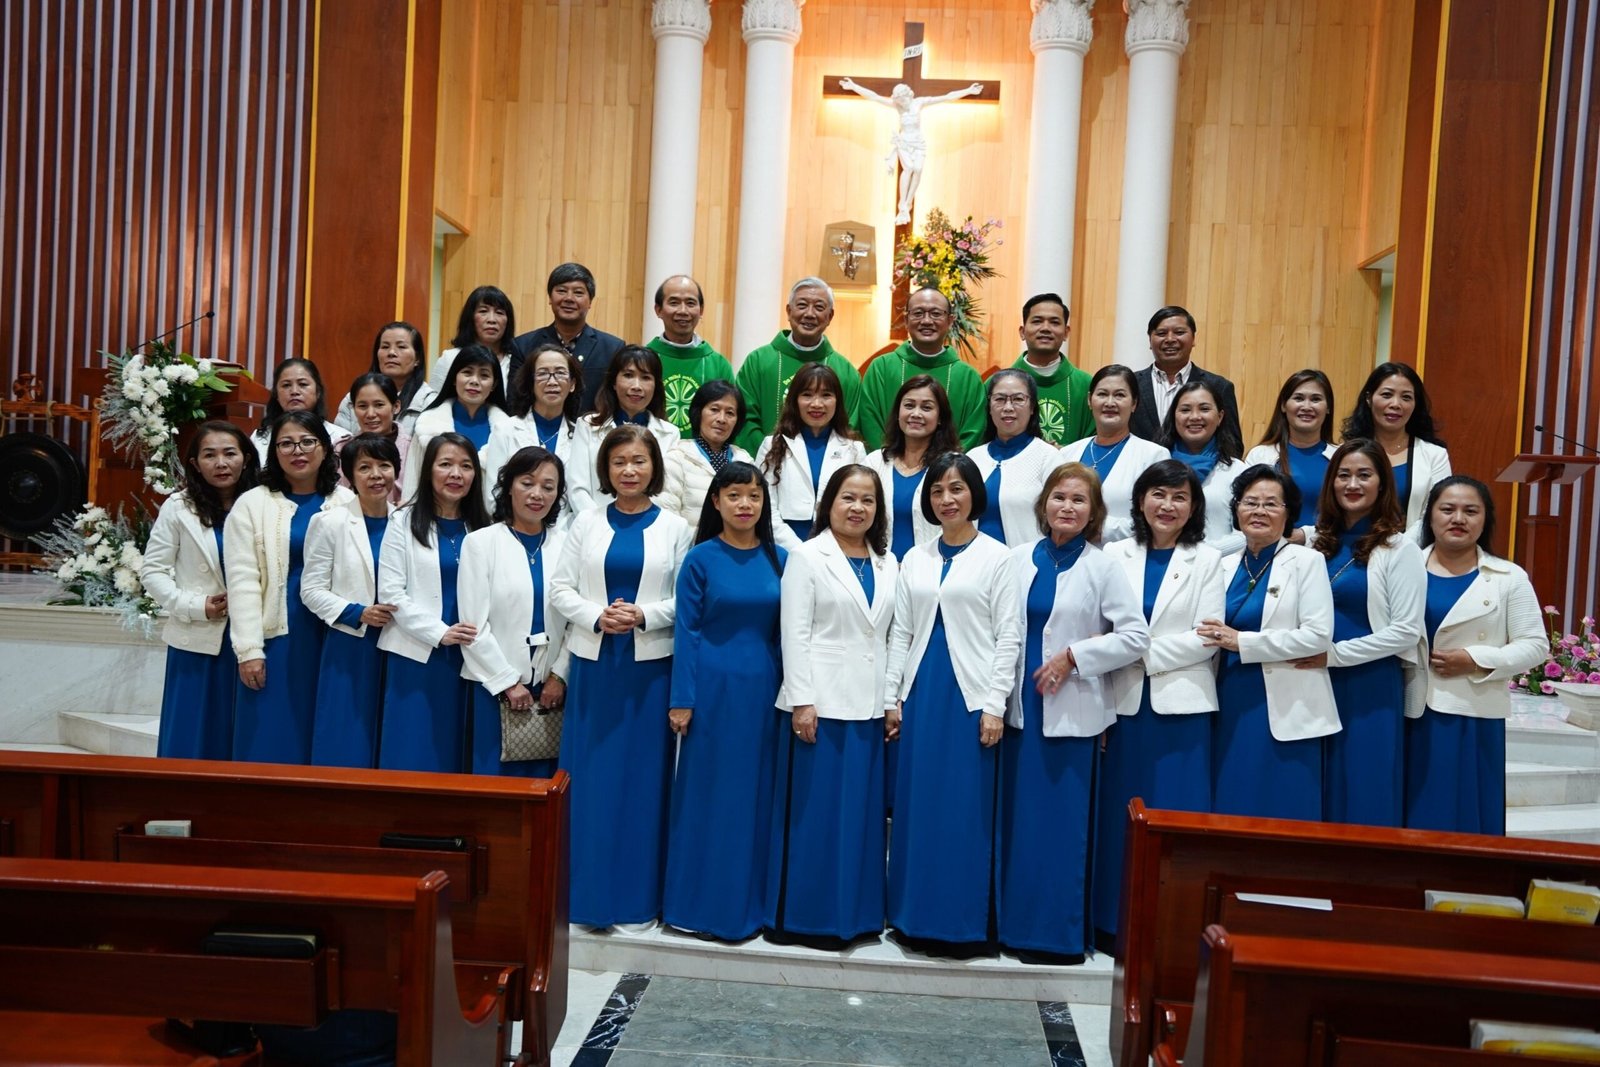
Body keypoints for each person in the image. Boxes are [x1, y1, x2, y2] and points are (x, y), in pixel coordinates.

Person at [1000, 462, 1150, 962]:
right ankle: (1011, 927)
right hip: (1018, 711)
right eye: (1059, 497)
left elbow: (1135, 637)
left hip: (1071, 711)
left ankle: (1054, 937)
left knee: (1060, 827)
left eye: (1079, 500)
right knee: (1018, 825)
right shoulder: (1016, 559)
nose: (1067, 507)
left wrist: (1074, 656)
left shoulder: (1102, 566)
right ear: (1043, 504)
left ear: (1094, 512)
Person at [550, 424, 693, 929]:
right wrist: (597, 615)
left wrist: (643, 615)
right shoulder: (586, 522)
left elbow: (686, 600)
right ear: (605, 470)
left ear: (654, 467)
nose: (629, 470)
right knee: (591, 784)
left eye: (638, 461)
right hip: (595, 668)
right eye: (618, 462)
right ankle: (585, 900)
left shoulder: (676, 528)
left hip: (649, 671)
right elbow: (560, 589)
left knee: (641, 784)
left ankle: (636, 903)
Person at [884, 453, 1021, 952]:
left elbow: (1009, 637)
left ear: (974, 495)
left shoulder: (998, 557)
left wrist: (995, 704)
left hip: (970, 697)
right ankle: (910, 916)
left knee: (964, 808)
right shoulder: (916, 558)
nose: (947, 499)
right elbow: (901, 632)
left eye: (957, 488)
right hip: (922, 693)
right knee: (917, 806)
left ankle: (961, 923)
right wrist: (892, 697)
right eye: (938, 490)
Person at [768, 465, 899, 946]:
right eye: (848, 497)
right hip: (820, 706)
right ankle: (809, 917)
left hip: (868, 708)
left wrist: (890, 700)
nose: (857, 508)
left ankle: (856, 916)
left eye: (868, 500)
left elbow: (892, 635)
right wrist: (802, 701)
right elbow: (794, 633)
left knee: (860, 818)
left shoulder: (887, 561)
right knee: (816, 816)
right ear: (829, 503)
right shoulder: (807, 556)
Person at [1099, 461, 1223, 942]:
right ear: (1140, 500)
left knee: (1176, 818)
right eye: (1158, 494)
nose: (1167, 506)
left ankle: (1172, 931)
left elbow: (1208, 636)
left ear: (1193, 507)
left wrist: (1136, 652)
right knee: (1120, 818)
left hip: (1181, 709)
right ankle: (1111, 923)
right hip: (1122, 705)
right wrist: (1120, 650)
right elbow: (1101, 625)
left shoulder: (1208, 559)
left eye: (1179, 497)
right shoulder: (1115, 554)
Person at [664, 462, 786, 941]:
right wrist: (682, 699)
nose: (744, 504)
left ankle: (749, 905)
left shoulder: (780, 559)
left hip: (764, 689)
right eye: (734, 495)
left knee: (754, 795)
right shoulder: (700, 559)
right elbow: (686, 632)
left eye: (753, 495)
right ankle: (697, 907)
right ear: (715, 502)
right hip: (712, 689)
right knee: (708, 793)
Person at [1405, 476, 1545, 834]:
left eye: (1471, 511)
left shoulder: (1508, 577)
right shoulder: (1403, 569)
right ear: (1430, 516)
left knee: (1465, 814)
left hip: (1472, 711)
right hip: (1408, 708)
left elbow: (1535, 645)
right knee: (1411, 809)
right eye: (1447, 509)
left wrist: (1476, 658)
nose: (1458, 519)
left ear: (1485, 519)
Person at [1201, 465, 1337, 820]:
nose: (1259, 511)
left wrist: (1243, 642)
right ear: (1236, 510)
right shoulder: (1222, 565)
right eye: (1250, 502)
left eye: (1271, 504)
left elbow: (1317, 636)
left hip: (1285, 700)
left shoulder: (1307, 561)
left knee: (1283, 806)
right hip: (1227, 695)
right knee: (1231, 800)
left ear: (1289, 513)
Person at [1303, 439, 1425, 827]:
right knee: (1314, 785)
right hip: (1311, 678)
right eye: (1343, 475)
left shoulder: (1398, 549)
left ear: (1382, 484)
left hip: (1367, 684)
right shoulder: (1316, 542)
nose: (1352, 484)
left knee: (1363, 786)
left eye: (1364, 475)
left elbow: (1406, 631)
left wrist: (1335, 655)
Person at [225, 412, 357, 763]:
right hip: (279, 635)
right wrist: (249, 649)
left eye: (307, 442)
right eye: (286, 443)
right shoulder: (252, 504)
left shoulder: (347, 502)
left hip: (334, 635)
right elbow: (242, 581)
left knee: (329, 730)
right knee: (273, 733)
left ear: (325, 448)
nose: (297, 451)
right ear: (274, 451)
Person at [141, 421, 260, 760]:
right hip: (198, 638)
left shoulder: (264, 503)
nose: (221, 463)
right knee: (192, 733)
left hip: (253, 635)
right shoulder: (178, 507)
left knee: (245, 734)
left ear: (246, 458)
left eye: (230, 453)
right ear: (194, 463)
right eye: (209, 455)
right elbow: (152, 571)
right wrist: (196, 605)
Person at [376, 433, 490, 772]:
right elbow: (391, 593)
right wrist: (439, 632)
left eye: (466, 466)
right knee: (415, 750)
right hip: (419, 653)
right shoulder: (403, 521)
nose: (456, 474)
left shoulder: (485, 526)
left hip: (473, 652)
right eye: (446, 464)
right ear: (428, 471)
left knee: (463, 751)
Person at [458, 446, 571, 778]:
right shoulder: (480, 543)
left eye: (548, 487)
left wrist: (559, 676)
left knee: (549, 788)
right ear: (509, 487)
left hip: (553, 692)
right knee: (494, 785)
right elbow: (473, 626)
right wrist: (508, 683)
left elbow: (575, 622)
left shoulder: (567, 544)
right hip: (494, 686)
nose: (537, 494)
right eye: (527, 483)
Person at [300, 433, 400, 768]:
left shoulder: (407, 521)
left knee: (392, 731)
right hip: (351, 643)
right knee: (346, 731)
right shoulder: (330, 522)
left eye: (384, 465)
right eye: (365, 467)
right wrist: (358, 612)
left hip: (399, 641)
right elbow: (311, 590)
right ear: (350, 475)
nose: (376, 475)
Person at [735, 277, 863, 454]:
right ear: (789, 311)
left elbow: (848, 427)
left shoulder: (846, 372)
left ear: (830, 316)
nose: (809, 314)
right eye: (802, 305)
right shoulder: (758, 362)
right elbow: (746, 420)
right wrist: (771, 457)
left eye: (819, 307)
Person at [835, 77, 985, 224]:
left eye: (903, 100)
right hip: (904, 143)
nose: (902, 103)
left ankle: (908, 201)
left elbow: (946, 97)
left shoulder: (919, 103)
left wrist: (968, 90)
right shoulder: (896, 105)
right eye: (899, 101)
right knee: (909, 168)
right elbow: (874, 97)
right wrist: (854, 87)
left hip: (918, 143)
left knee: (918, 169)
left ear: (908, 95)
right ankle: (902, 204)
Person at [859, 288, 986, 451]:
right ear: (906, 320)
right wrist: (892, 462)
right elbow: (870, 423)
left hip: (949, 467)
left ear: (950, 321)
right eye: (918, 313)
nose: (926, 321)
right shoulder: (881, 368)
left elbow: (973, 434)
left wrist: (946, 465)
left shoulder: (968, 377)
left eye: (936, 314)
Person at [404, 345, 532, 508]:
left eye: (484, 375)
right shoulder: (428, 423)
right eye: (467, 372)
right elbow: (412, 485)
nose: (474, 381)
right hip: (433, 516)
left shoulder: (510, 430)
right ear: (453, 378)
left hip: (490, 518)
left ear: (494, 384)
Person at [754, 364, 866, 547]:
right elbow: (764, 504)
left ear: (837, 401)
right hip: (782, 547)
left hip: (836, 548)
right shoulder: (771, 445)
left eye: (826, 395)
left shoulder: (854, 450)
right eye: (807, 394)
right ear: (794, 400)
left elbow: (859, 506)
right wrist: (797, 550)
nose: (817, 404)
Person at [1059, 365, 1171, 543]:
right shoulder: (1067, 454)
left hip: (1123, 555)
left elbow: (1158, 518)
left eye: (1119, 395)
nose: (1110, 403)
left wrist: (1096, 529)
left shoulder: (1154, 456)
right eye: (1102, 394)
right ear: (1090, 400)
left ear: (1134, 403)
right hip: (1067, 552)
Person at [566, 345, 682, 514]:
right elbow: (577, 488)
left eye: (646, 377)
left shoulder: (670, 433)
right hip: (594, 523)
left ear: (656, 386)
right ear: (613, 382)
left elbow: (666, 492)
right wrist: (598, 524)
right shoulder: (587, 426)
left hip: (649, 523)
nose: (636, 386)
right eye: (628, 375)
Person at [1341, 362, 1452, 535]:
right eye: (1386, 395)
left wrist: (1401, 547)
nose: (1396, 404)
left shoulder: (1435, 456)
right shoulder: (1345, 453)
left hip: (1412, 548)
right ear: (1369, 398)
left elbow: (1437, 514)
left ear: (1415, 404)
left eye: (1406, 397)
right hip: (1352, 545)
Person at [509, 262, 626, 411]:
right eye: (561, 291)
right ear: (550, 298)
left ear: (590, 301)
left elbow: (616, 402)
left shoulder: (613, 348)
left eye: (578, 293)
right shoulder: (523, 346)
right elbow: (515, 401)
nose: (569, 298)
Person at [862, 375, 954, 560]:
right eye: (909, 405)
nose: (916, 414)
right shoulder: (874, 462)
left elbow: (961, 527)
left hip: (932, 568)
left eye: (926, 407)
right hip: (879, 567)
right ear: (898, 413)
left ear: (940, 418)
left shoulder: (952, 467)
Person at [970, 369, 1062, 546]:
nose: (1008, 407)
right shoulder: (973, 458)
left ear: (1032, 407)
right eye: (999, 399)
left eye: (1018, 399)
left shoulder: (1049, 458)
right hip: (976, 559)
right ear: (989, 407)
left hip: (1027, 559)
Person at [1130, 306, 1242, 444]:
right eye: (1161, 333)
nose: (1170, 339)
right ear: (1149, 340)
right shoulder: (1131, 384)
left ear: (1193, 339)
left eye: (1179, 332)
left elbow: (1232, 443)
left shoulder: (1219, 386)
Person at [1161, 379, 1247, 554]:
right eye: (1185, 410)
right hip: (1161, 562)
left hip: (1219, 564)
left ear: (1220, 416)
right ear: (1174, 416)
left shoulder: (1237, 471)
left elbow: (1247, 532)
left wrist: (1202, 555)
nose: (1194, 417)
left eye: (1204, 409)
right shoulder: (1156, 463)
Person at [1244, 369, 1338, 529]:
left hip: (1327, 542)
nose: (1307, 406)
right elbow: (1247, 510)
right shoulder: (1260, 455)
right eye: (1298, 398)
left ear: (1328, 407)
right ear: (1283, 405)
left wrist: (1306, 536)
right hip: (1272, 543)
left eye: (1316, 399)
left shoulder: (1340, 457)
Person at [645, 275, 733, 435]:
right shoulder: (644, 361)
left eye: (690, 303)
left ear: (701, 310)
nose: (683, 311)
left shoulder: (719, 365)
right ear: (658, 310)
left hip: (703, 452)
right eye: (674, 303)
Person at [659, 380, 756, 525]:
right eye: (714, 410)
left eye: (730, 413)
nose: (722, 419)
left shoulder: (745, 461)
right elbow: (667, 520)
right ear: (699, 413)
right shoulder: (676, 458)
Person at [1010, 293, 1093, 445]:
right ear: (1022, 332)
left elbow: (1096, 442)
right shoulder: (999, 383)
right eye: (1037, 321)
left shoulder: (1087, 385)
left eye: (1054, 322)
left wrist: (1062, 453)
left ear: (1066, 333)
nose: (1045, 328)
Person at [334, 321, 436, 435]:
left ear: (417, 358)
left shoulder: (429, 402)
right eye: (385, 347)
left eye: (401, 347)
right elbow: (340, 442)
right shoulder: (352, 399)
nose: (391, 353)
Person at [252, 358, 351, 463]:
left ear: (318, 391)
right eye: (286, 385)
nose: (294, 391)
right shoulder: (259, 438)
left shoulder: (341, 438)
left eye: (303, 384)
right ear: (276, 394)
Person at [336, 373, 411, 503]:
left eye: (379, 405)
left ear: (396, 406)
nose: (370, 414)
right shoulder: (340, 448)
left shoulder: (414, 449)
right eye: (362, 406)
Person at [430, 284, 518, 391]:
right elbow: (434, 398)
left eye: (499, 313)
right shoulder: (450, 358)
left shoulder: (516, 361)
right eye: (483, 311)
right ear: (470, 317)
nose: (492, 320)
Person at [508, 343, 583, 469]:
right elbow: (495, 481)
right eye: (543, 374)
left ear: (572, 384)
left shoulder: (582, 435)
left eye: (560, 373)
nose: (552, 382)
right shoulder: (505, 430)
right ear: (530, 383)